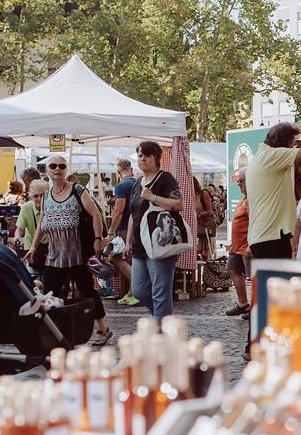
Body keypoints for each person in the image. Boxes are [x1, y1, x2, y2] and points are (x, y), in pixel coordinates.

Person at [23, 154, 111, 345]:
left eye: (61, 166)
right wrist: (33, 247)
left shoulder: (77, 190)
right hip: (55, 255)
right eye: (53, 165)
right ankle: (52, 331)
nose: (57, 169)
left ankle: (102, 328)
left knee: (87, 290)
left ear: (66, 169)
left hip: (77, 253)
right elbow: (41, 223)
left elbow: (95, 214)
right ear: (46, 170)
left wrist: (98, 239)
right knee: (50, 294)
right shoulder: (46, 195)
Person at [122, 141, 184, 322]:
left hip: (160, 244)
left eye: (147, 155)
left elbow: (179, 204)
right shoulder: (137, 183)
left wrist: (153, 197)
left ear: (156, 158)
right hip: (140, 245)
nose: (143, 159)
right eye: (140, 155)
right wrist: (127, 241)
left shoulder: (166, 178)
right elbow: (134, 214)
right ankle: (164, 320)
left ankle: (161, 335)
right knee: (139, 290)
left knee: (160, 292)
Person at [246, 122, 301, 259]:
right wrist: (300, 128)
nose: (293, 146)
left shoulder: (260, 157)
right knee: (278, 280)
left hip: (262, 235)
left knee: (269, 280)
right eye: (292, 142)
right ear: (286, 142)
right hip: (272, 236)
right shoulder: (274, 155)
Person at [107, 158, 138, 306]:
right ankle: (132, 292)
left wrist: (112, 231)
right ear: (131, 169)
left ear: (118, 171)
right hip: (138, 227)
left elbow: (118, 210)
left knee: (117, 258)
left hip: (125, 228)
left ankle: (137, 290)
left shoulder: (121, 186)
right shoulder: (137, 183)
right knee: (132, 260)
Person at [225, 168, 251, 317]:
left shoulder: (251, 200)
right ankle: (243, 304)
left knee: (253, 279)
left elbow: (254, 222)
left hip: (246, 247)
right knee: (232, 269)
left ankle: (255, 309)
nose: (239, 184)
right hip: (236, 246)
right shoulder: (244, 199)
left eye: (242, 181)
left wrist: (250, 244)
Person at [14, 179, 49, 265]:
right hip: (31, 248)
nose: (40, 199)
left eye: (43, 195)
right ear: (30, 197)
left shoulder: (52, 208)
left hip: (50, 248)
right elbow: (20, 229)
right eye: (36, 196)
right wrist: (17, 237)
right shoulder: (26, 207)